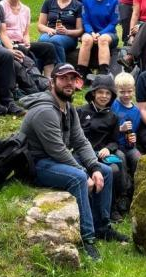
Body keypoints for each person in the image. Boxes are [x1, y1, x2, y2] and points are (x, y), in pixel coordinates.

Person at [20, 64, 129, 262]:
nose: (68, 83)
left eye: (72, 79)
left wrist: (94, 167)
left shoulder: (68, 107)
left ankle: (101, 226)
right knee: (79, 177)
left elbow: (80, 141)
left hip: (54, 160)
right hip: (37, 164)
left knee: (105, 170)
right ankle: (87, 238)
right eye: (63, 78)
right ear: (52, 82)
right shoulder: (45, 111)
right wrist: (84, 171)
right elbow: (57, 150)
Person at [78, 75, 131, 222]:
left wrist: (108, 149)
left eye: (108, 93)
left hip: (103, 153)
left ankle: (117, 203)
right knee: (110, 170)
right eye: (100, 92)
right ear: (93, 93)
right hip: (84, 153)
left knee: (117, 164)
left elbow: (115, 141)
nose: (104, 96)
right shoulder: (81, 112)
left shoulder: (113, 116)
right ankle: (105, 209)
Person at [79, 0, 119, 78]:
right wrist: (91, 33)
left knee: (103, 39)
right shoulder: (86, 0)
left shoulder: (114, 1)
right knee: (86, 39)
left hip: (109, 34)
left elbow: (113, 23)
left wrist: (100, 34)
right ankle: (81, 73)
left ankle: (103, 73)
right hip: (91, 33)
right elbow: (85, 21)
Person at [37, 0, 84, 64]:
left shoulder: (78, 5)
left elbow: (80, 30)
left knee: (55, 41)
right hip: (50, 33)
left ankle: (62, 70)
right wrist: (49, 29)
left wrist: (66, 31)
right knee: (42, 42)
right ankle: (38, 74)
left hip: (69, 37)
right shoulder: (48, 2)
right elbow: (40, 25)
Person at [112, 71, 141, 210]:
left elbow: (136, 131)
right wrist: (120, 129)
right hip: (116, 145)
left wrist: (134, 139)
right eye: (122, 92)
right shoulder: (114, 106)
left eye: (129, 91)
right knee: (120, 158)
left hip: (129, 145)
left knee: (137, 158)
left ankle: (137, 190)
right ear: (117, 91)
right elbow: (108, 129)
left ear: (133, 90)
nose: (126, 95)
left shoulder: (136, 111)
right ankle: (123, 194)